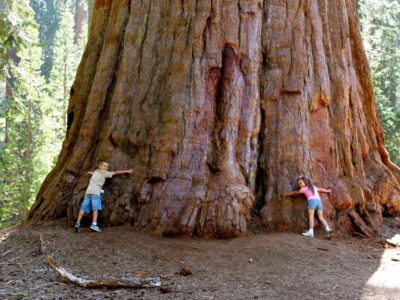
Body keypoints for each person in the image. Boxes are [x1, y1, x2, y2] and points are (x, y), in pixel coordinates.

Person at [74, 161, 133, 233]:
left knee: (83, 208)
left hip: (88, 192)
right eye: (105, 166)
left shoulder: (96, 171)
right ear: (100, 166)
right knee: (95, 209)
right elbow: (116, 172)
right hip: (95, 193)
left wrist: (90, 173)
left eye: (107, 166)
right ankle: (94, 224)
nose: (106, 168)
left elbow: (94, 174)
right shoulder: (105, 173)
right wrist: (127, 171)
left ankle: (78, 223)